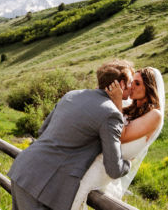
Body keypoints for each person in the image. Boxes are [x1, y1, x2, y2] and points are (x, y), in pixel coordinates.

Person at [8, 60, 135, 210]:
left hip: (24, 169)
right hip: (46, 187)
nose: (132, 88)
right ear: (120, 85)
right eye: (130, 83)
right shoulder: (111, 114)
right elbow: (114, 169)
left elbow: (43, 131)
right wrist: (128, 163)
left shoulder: (72, 94)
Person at [71, 67, 165, 210]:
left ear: (150, 87)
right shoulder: (127, 108)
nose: (132, 86)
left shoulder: (155, 115)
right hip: (91, 158)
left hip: (104, 166)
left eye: (138, 84)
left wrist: (117, 101)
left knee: (78, 191)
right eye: (132, 82)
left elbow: (121, 135)